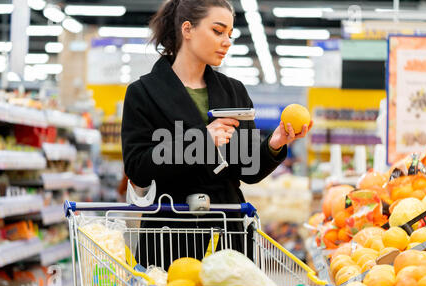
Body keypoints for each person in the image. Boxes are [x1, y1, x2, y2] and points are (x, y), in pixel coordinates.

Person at [121, 0, 313, 269]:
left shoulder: (234, 91)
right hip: (170, 232)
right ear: (187, 29)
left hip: (227, 230)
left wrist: (275, 143)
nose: (227, 42)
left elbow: (247, 169)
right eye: (218, 31)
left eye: (230, 34)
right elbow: (138, 168)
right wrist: (201, 141)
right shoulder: (143, 93)